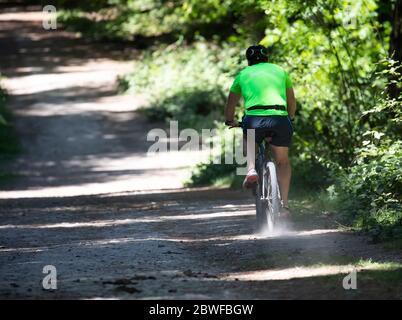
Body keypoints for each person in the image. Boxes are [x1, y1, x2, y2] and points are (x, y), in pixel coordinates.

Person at [224, 44, 296, 216]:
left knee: (249, 137)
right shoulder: (280, 71)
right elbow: (291, 99)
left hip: (254, 118)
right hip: (279, 118)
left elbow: (231, 103)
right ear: (267, 58)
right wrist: (290, 118)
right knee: (283, 162)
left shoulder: (243, 74)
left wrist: (229, 120)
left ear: (249, 60)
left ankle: (250, 169)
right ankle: (285, 206)